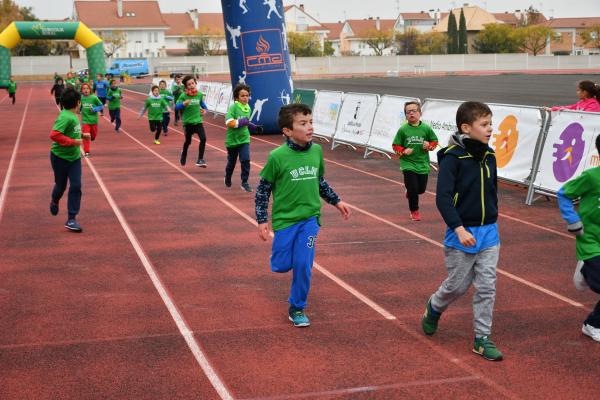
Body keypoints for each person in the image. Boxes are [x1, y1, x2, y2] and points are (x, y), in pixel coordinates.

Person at [255, 103, 351, 327]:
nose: (309, 127)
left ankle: (297, 307)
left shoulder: (317, 151)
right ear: (287, 131)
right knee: (281, 265)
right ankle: (280, 256)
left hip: (310, 219)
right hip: (285, 220)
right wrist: (262, 220)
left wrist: (337, 201)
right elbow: (263, 190)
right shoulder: (277, 156)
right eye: (303, 123)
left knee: (303, 264)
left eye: (311, 122)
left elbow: (319, 182)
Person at [421, 101, 503, 361]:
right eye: (484, 124)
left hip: (489, 233)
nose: (490, 128)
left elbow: (492, 191)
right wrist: (458, 228)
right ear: (466, 128)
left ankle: (482, 338)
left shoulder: (490, 156)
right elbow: (443, 198)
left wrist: (491, 216)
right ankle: (434, 306)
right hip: (461, 233)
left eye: (491, 123)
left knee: (487, 287)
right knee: (458, 285)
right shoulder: (453, 159)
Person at [557, 134, 600, 342]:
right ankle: (592, 324)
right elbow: (563, 193)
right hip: (590, 238)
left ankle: (592, 324)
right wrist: (573, 220)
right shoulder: (592, 177)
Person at [48, 87, 90, 232]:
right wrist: (74, 142)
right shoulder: (65, 116)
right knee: (61, 186)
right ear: (78, 102)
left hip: (74, 158)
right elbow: (54, 135)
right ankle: (54, 200)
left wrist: (82, 137)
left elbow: (70, 133)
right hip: (59, 157)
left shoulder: (72, 115)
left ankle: (72, 218)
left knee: (76, 185)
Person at [392, 101, 438, 221]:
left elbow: (434, 142)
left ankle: (410, 191)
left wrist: (429, 146)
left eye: (414, 111)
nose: (411, 113)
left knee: (421, 189)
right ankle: (414, 210)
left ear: (420, 113)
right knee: (413, 188)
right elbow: (395, 145)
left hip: (422, 163)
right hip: (408, 163)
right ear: (405, 115)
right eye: (408, 112)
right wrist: (403, 150)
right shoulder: (403, 130)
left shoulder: (426, 128)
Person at [224, 83, 261, 192]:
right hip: (232, 141)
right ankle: (228, 176)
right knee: (232, 162)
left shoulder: (248, 108)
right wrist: (241, 122)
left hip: (244, 139)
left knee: (245, 160)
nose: (245, 98)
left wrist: (254, 127)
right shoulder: (233, 108)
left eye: (247, 95)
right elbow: (228, 122)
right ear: (237, 97)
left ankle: (244, 182)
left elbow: (246, 122)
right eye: (242, 96)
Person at [175, 75, 208, 167]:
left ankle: (200, 159)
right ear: (186, 87)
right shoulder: (183, 95)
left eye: (193, 83)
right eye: (189, 84)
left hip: (198, 121)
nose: (191, 85)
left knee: (203, 138)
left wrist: (205, 110)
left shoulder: (199, 94)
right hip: (188, 123)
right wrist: (183, 104)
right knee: (188, 141)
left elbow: (204, 106)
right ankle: (184, 153)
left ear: (195, 83)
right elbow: (176, 106)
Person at [79, 83, 104, 157]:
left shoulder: (94, 98)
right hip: (85, 120)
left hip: (94, 120)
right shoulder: (81, 98)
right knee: (86, 136)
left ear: (90, 90)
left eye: (87, 88)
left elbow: (101, 106)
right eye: (84, 89)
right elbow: (79, 107)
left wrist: (95, 109)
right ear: (81, 91)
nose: (85, 90)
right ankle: (87, 152)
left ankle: (92, 136)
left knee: (93, 135)